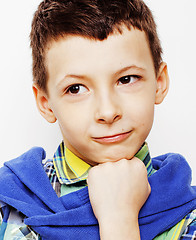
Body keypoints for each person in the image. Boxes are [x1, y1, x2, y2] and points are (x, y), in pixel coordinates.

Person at [0, 0, 195, 239]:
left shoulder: (189, 217)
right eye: (76, 88)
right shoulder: (10, 206)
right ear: (45, 102)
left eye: (126, 79)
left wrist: (119, 217)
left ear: (160, 83)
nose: (107, 111)